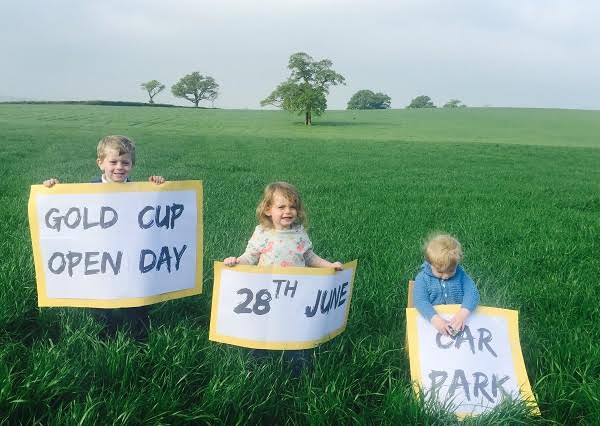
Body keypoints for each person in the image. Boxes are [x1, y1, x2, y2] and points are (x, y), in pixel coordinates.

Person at [43, 135, 165, 341]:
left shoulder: (141, 193)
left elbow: (154, 211)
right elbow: (68, 210)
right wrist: (53, 190)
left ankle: (139, 334)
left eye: (125, 162)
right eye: (113, 162)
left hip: (130, 259)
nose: (119, 167)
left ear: (132, 165)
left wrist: (157, 186)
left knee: (136, 299)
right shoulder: (87, 191)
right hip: (99, 260)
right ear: (100, 163)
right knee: (100, 298)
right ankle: (102, 333)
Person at [223, 181, 343, 376]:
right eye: (282, 207)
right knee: (263, 329)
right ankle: (257, 365)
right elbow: (250, 257)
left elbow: (309, 257)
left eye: (293, 207)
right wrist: (235, 262)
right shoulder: (262, 233)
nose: (288, 211)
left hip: (295, 296)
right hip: (267, 296)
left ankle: (298, 367)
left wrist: (330, 266)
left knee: (294, 330)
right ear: (268, 210)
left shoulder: (299, 233)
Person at [413, 233, 480, 336]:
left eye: (451, 271)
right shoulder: (422, 279)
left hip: (456, 320)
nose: (446, 276)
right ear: (429, 263)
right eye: (440, 272)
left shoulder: (461, 275)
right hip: (431, 323)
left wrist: (463, 313)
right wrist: (435, 319)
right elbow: (420, 301)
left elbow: (472, 293)